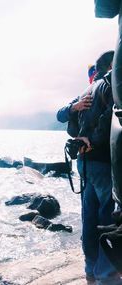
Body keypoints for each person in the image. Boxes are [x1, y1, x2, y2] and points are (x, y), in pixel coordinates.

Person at [73, 50, 120, 284]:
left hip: (84, 163)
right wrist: (98, 139)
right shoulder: (112, 83)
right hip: (102, 160)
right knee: (108, 219)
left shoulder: (86, 90)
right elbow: (109, 116)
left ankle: (91, 272)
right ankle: (107, 277)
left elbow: (73, 125)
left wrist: (83, 139)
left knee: (89, 218)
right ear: (112, 64)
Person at [95, 0, 122, 276]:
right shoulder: (104, 88)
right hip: (99, 161)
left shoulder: (95, 89)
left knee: (99, 216)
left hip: (94, 161)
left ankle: (99, 274)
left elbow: (103, 7)